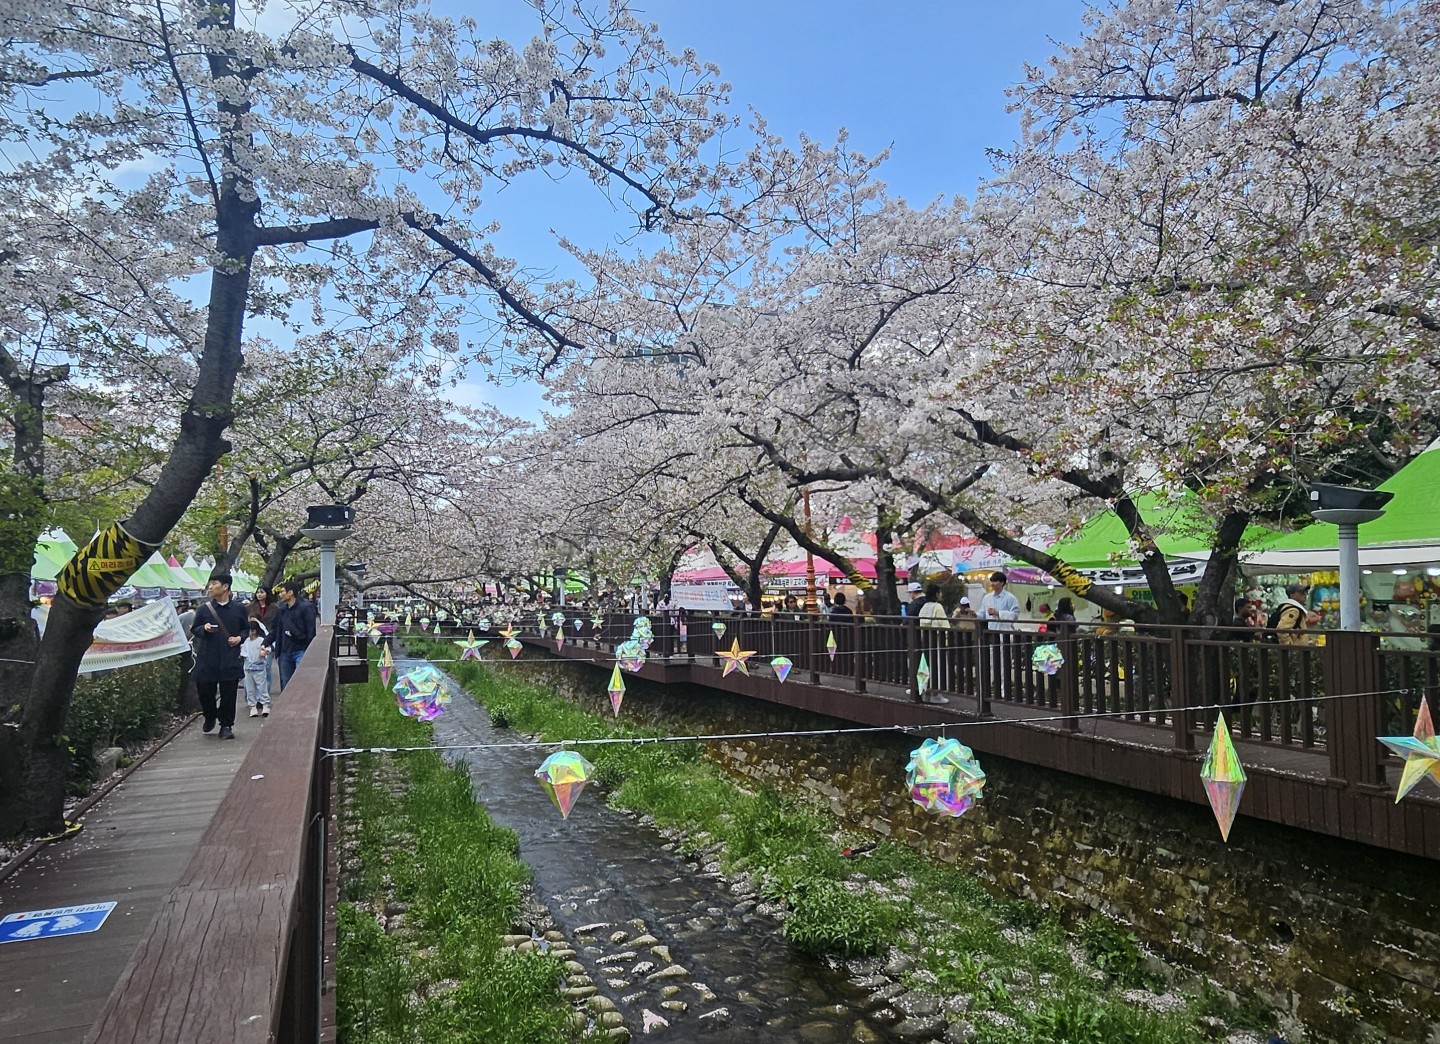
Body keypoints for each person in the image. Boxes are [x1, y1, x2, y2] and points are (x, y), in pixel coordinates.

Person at [191, 573, 248, 740]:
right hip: (208, 658)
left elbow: (245, 629)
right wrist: (204, 628)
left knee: (229, 694)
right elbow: (195, 629)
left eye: (214, 583)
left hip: (229, 657)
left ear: (225, 587)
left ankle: (226, 725)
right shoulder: (204, 609)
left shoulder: (239, 609)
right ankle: (210, 715)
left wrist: (239, 638)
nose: (210, 587)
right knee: (205, 691)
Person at [268, 580, 317, 690]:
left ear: (290, 593)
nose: (280, 594)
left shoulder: (305, 607)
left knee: (302, 681)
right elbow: (275, 630)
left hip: (301, 650)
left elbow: (311, 630)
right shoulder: (282, 610)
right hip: (284, 651)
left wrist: (309, 649)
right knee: (286, 684)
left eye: (282, 592)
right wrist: (266, 642)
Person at [241, 620, 271, 717]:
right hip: (248, 669)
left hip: (259, 668)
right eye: (250, 630)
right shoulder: (246, 641)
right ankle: (252, 706)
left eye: (253, 630)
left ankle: (265, 705)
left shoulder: (261, 640)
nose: (251, 633)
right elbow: (244, 653)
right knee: (250, 688)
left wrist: (265, 651)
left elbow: (268, 649)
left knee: (262, 687)